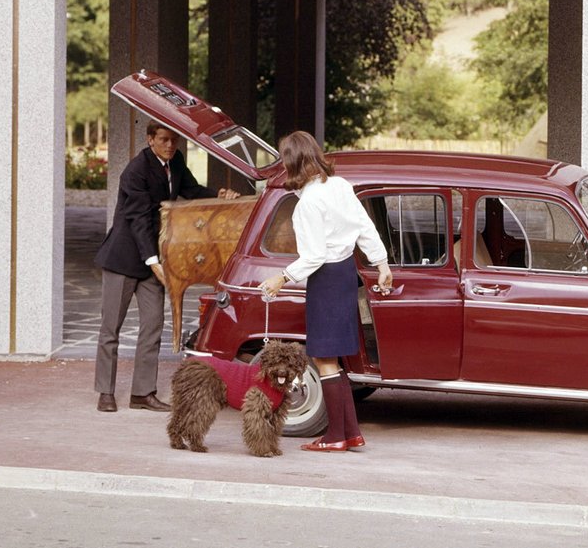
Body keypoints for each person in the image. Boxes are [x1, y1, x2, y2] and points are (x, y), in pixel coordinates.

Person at [259, 131, 393, 453]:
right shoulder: (341, 185)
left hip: (326, 277)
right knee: (334, 358)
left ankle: (335, 437)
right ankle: (351, 432)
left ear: (291, 163)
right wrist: (382, 262)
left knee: (324, 358)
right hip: (346, 272)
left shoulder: (306, 204)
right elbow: (364, 226)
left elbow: (315, 256)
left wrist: (281, 277)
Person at [94, 122, 240, 413]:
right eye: (164, 140)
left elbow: (191, 189)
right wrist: (154, 262)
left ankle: (142, 394)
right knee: (111, 328)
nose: (170, 145)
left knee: (153, 326)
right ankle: (105, 393)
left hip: (152, 260)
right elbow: (138, 220)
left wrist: (218, 195)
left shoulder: (176, 162)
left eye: (174, 141)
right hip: (124, 258)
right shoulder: (135, 171)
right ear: (150, 140)